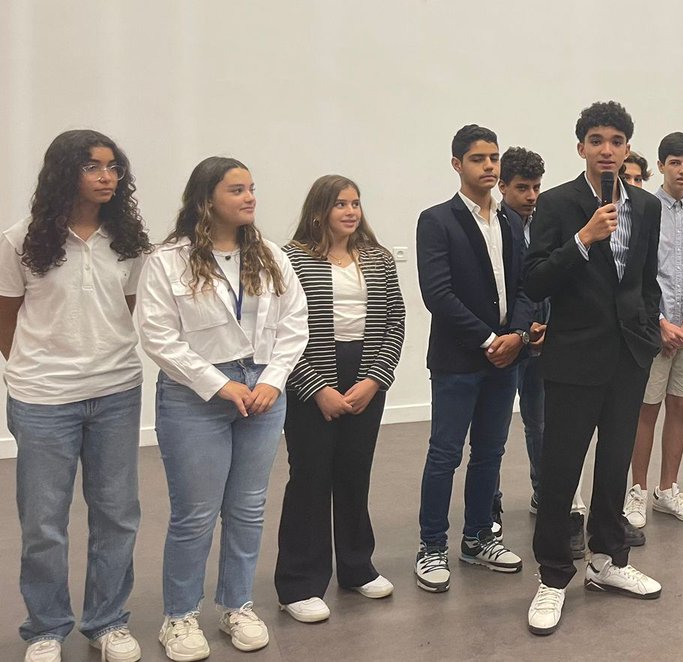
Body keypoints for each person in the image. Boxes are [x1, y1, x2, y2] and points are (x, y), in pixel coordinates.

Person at [138, 156, 309, 660]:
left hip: (262, 391)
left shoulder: (272, 256)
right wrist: (219, 385)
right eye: (237, 190)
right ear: (206, 199)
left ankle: (237, 604)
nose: (250, 197)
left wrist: (273, 382)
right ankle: (181, 617)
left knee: (248, 507)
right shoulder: (167, 260)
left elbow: (293, 323)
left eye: (252, 188)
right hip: (195, 397)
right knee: (195, 513)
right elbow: (159, 336)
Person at [0, 130, 151, 662]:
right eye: (93, 167)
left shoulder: (128, 239)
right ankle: (46, 628)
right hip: (43, 398)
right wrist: (29, 369)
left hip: (115, 391)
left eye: (113, 167)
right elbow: (7, 319)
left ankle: (107, 622)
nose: (107, 176)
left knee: (117, 514)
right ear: (65, 173)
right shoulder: (20, 239)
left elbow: (129, 308)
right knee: (44, 521)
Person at [524, 101, 663, 635]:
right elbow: (534, 280)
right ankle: (554, 576)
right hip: (574, 356)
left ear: (628, 148)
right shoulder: (559, 205)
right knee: (561, 471)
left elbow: (645, 280)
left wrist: (647, 333)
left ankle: (608, 562)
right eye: (597, 140)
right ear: (581, 146)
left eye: (617, 140)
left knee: (613, 466)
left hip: (629, 355)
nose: (607, 149)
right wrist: (583, 239)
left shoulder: (646, 207)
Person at [275, 175, 406, 622]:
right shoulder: (291, 259)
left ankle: (357, 567)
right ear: (319, 211)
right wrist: (315, 389)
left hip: (364, 375)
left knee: (355, 474)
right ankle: (300, 584)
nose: (351, 211)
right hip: (311, 379)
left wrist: (375, 379)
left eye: (356, 203)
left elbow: (395, 320)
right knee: (310, 479)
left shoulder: (378, 258)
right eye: (340, 204)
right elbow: (280, 333)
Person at [413, 125, 531, 593]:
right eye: (478, 158)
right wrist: (489, 339)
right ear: (457, 163)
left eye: (494, 158)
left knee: (489, 453)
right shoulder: (436, 220)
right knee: (445, 454)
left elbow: (526, 286)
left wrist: (517, 335)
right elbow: (437, 294)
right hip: (460, 360)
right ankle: (431, 546)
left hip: (506, 360)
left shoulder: (512, 222)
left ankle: (479, 538)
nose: (489, 166)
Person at [492, 147, 593, 557]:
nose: (532, 195)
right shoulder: (493, 224)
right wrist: (519, 327)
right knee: (494, 434)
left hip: (547, 339)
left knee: (545, 426)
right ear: (503, 187)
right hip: (504, 342)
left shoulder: (550, 218)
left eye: (536, 187)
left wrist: (548, 325)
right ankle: (490, 506)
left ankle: (546, 495)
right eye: (522, 188)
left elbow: (557, 275)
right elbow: (509, 284)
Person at [625, 132, 683, 533]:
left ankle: (668, 489)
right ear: (660, 166)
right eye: (675, 163)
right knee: (645, 410)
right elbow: (640, 273)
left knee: (680, 407)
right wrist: (661, 322)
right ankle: (638, 491)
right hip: (653, 330)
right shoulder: (645, 210)